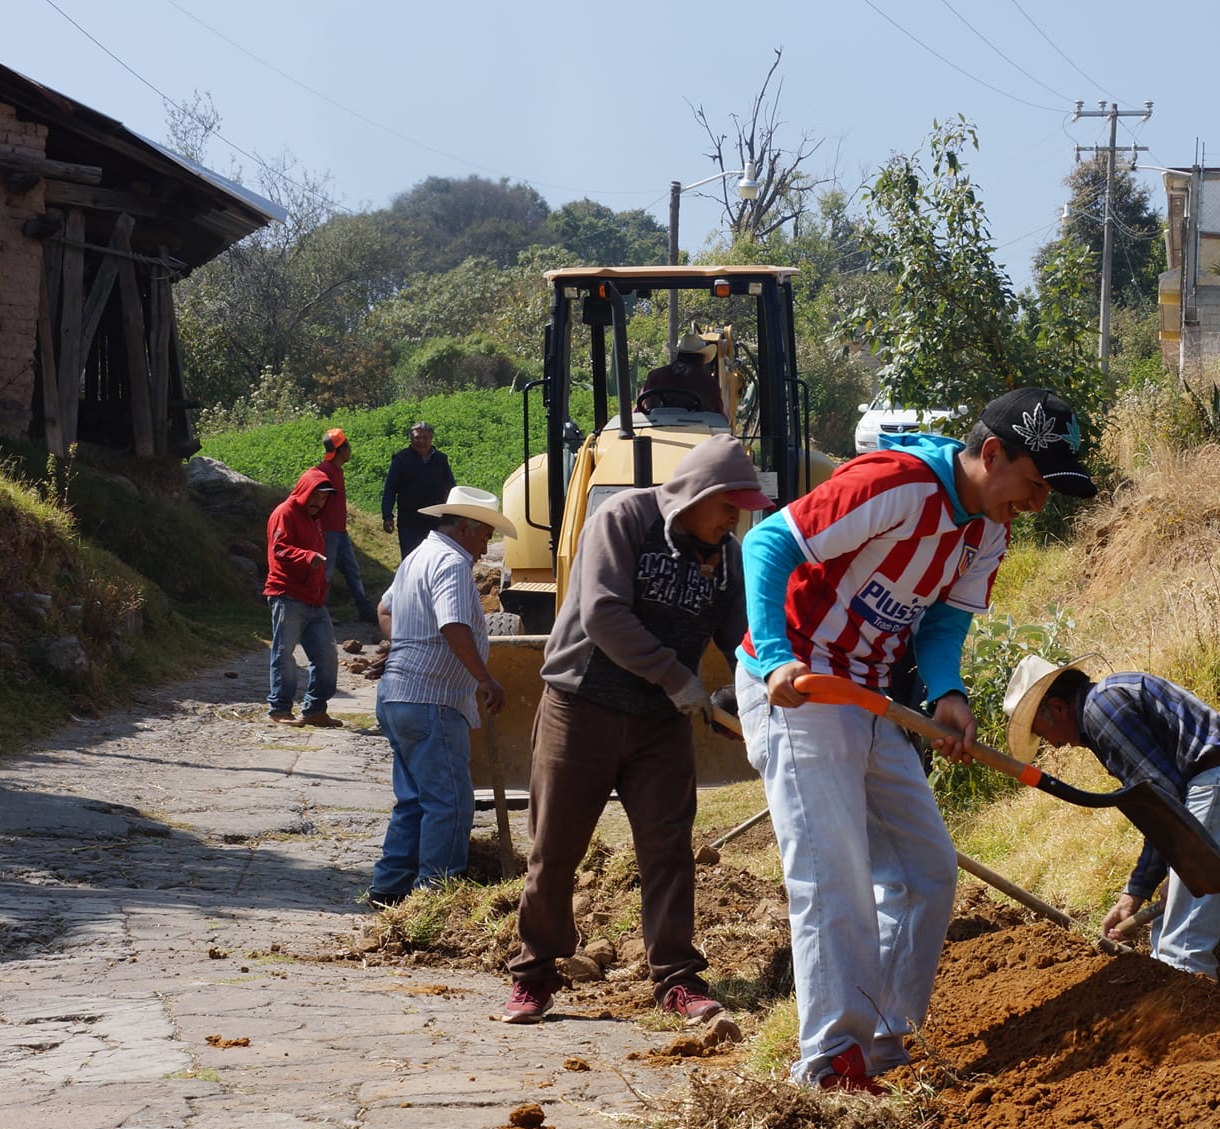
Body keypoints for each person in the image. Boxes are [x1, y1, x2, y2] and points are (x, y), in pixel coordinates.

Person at [733, 386, 1097, 1093]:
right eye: (1033, 483)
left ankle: (882, 1043)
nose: (1037, 502)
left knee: (925, 870)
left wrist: (948, 694)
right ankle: (830, 1065)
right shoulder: (896, 486)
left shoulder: (988, 527)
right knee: (833, 873)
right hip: (805, 688)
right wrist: (777, 653)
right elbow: (769, 541)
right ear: (992, 454)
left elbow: (941, 625)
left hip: (872, 696)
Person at [502, 435, 774, 1026]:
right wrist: (676, 674)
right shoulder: (623, 518)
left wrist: (756, 692)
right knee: (557, 847)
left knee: (669, 848)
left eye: (741, 509)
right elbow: (602, 612)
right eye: (729, 504)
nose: (735, 517)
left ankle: (676, 978)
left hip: (659, 724)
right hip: (583, 707)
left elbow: (743, 640)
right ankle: (535, 974)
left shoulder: (725, 555)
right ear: (698, 492)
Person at [1002, 657, 1220, 979]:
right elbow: (1164, 800)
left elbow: (1161, 801)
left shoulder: (1101, 708)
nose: (1055, 745)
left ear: (1058, 707)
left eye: (1043, 732)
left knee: (1180, 955)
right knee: (1167, 935)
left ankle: (1196, 1024)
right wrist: (1160, 881)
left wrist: (1135, 891)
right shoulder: (1111, 697)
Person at [367, 486, 514, 906]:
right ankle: (435, 894)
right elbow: (453, 625)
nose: (486, 546)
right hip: (432, 698)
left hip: (399, 694)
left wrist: (406, 646)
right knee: (449, 802)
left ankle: (388, 888)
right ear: (466, 529)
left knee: (413, 799)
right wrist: (485, 679)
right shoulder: (451, 564)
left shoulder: (417, 557)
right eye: (485, 535)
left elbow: (384, 610)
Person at [263, 466, 340, 727]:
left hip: (315, 601)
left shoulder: (314, 520)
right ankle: (279, 710)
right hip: (287, 596)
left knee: (327, 656)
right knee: (284, 653)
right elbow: (280, 549)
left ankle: (315, 710)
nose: (319, 502)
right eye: (315, 496)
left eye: (324, 498)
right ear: (305, 491)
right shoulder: (284, 513)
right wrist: (308, 557)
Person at [313, 428, 375, 625]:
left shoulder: (337, 470)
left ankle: (364, 610)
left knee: (352, 569)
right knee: (326, 572)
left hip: (340, 530)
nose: (350, 449)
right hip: (327, 531)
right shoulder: (324, 471)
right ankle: (319, 612)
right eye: (347, 445)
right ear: (340, 450)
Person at [380, 421, 458, 559]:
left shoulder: (441, 460)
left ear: (431, 439)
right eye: (417, 438)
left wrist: (453, 516)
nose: (421, 441)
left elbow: (451, 488)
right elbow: (390, 489)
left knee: (435, 558)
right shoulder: (401, 459)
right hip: (410, 521)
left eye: (425, 438)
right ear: (411, 439)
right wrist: (387, 516)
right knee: (412, 559)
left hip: (436, 521)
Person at [637, 334, 726, 416]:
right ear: (701, 359)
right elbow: (718, 413)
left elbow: (641, 406)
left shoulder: (655, 375)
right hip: (696, 430)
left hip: (657, 427)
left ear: (679, 354)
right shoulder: (708, 382)